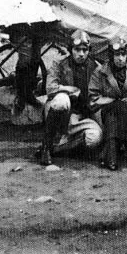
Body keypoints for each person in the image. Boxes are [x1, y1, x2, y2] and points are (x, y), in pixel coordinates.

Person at [40, 30, 103, 166]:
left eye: (84, 50)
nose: (81, 54)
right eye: (77, 49)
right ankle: (46, 146)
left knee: (95, 138)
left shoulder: (96, 67)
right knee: (62, 99)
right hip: (61, 114)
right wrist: (68, 89)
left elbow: (99, 94)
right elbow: (50, 88)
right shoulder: (59, 63)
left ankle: (58, 149)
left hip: (81, 116)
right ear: (70, 49)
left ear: (88, 51)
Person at [9, 0, 53, 113]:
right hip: (19, 18)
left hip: (38, 18)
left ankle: (29, 93)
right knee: (25, 58)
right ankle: (20, 95)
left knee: (36, 57)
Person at [88, 37, 127, 171]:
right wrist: (110, 101)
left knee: (120, 109)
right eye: (117, 54)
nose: (120, 58)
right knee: (114, 110)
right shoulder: (100, 72)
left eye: (123, 54)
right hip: (104, 111)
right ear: (111, 55)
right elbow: (93, 98)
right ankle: (113, 151)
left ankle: (110, 153)